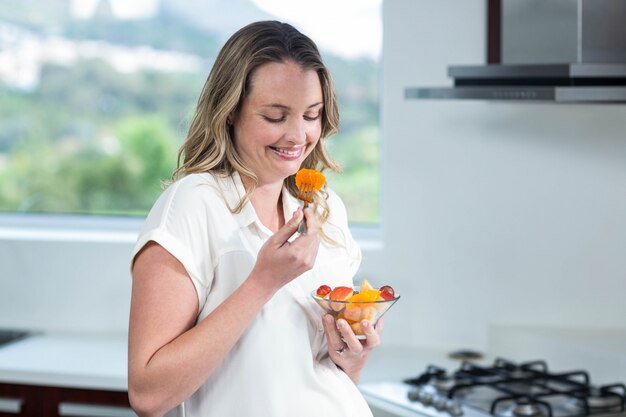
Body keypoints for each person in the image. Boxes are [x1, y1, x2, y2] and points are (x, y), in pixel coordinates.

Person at [128, 20, 382, 417]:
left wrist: (352, 360)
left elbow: (318, 379)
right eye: (276, 117)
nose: (298, 135)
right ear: (230, 112)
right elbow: (148, 395)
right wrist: (262, 282)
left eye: (311, 115)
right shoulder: (195, 205)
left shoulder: (326, 210)